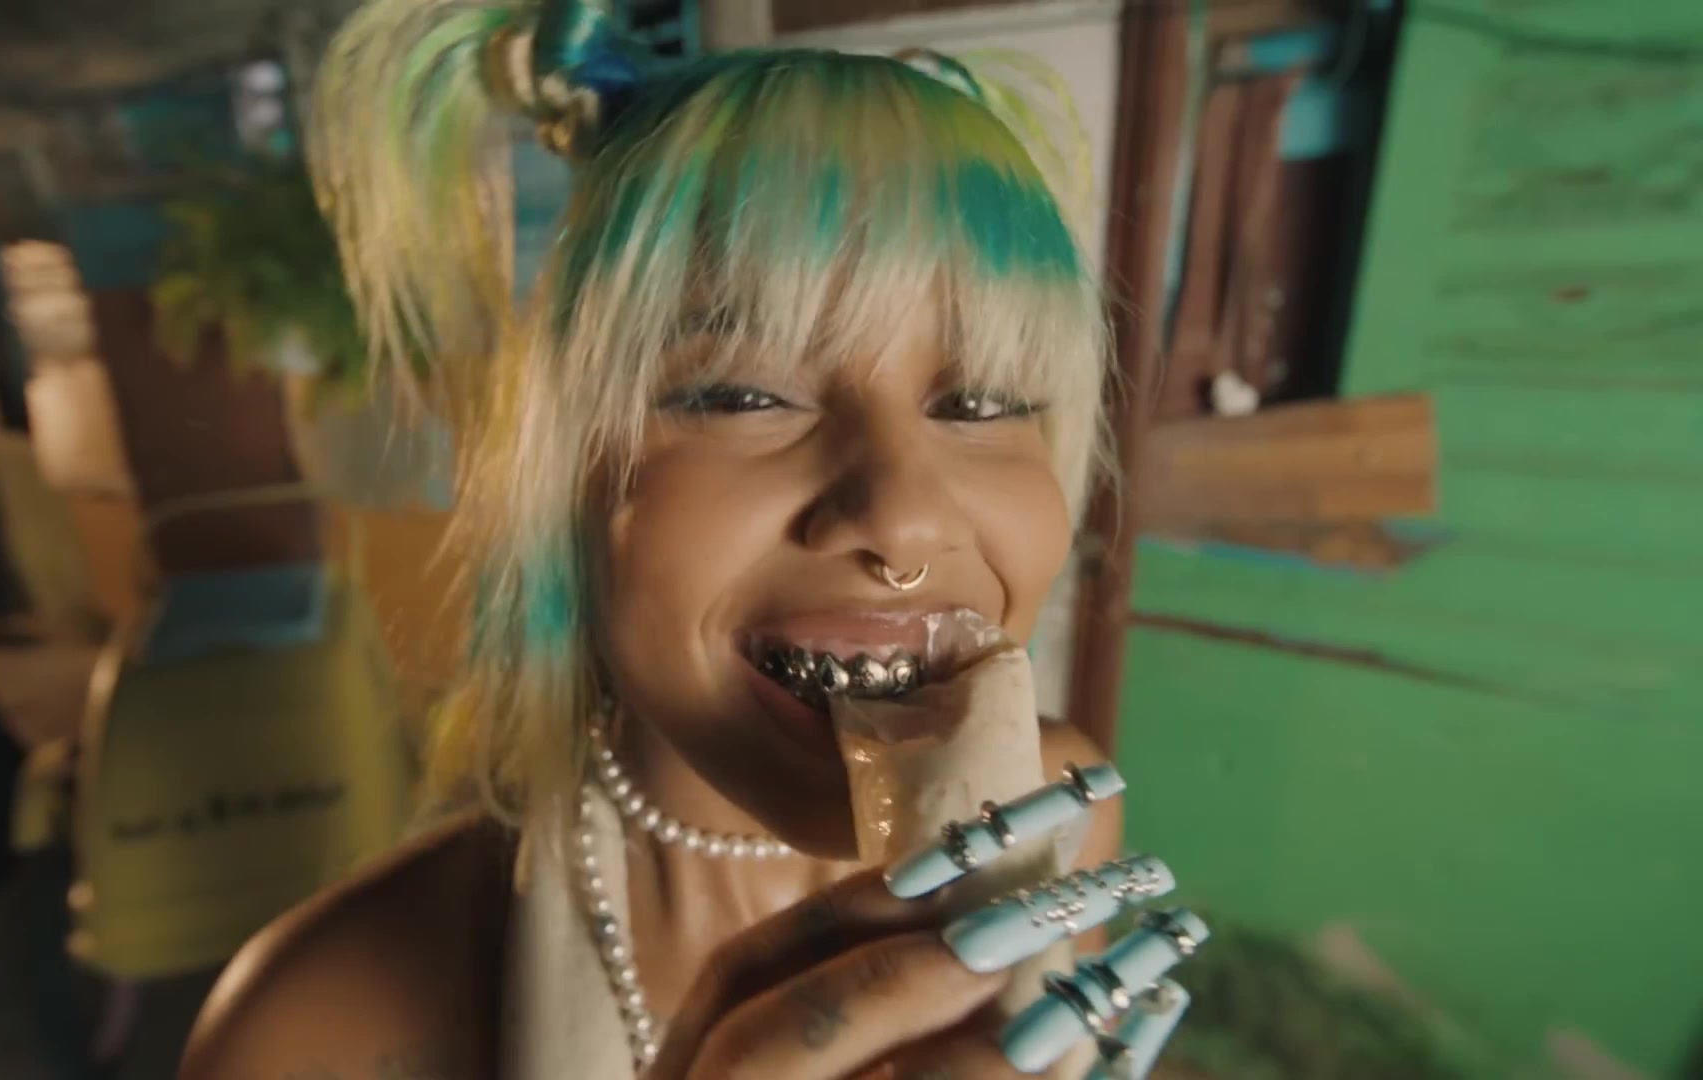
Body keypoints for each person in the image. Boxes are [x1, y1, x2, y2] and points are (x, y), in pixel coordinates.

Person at [182, 1, 1195, 1076]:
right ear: (562, 473)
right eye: (743, 394)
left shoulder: (1061, 812)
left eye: (983, 403)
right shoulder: (311, 1029)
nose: (905, 515)